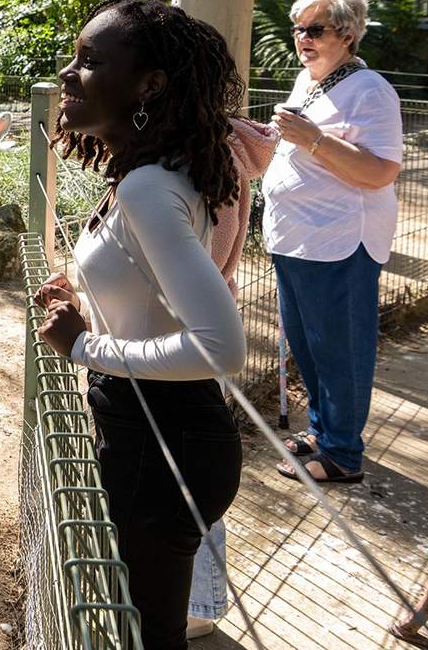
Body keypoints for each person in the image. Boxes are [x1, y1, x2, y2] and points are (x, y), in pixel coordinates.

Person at [34, 0, 247, 650]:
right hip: (157, 432)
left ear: (148, 85)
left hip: (162, 445)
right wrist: (84, 289)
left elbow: (219, 345)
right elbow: (154, 289)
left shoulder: (148, 186)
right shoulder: (148, 176)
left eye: (91, 61)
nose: (68, 74)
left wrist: (83, 344)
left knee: (146, 638)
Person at [264, 0, 402, 485]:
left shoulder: (371, 90)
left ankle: (343, 453)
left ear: (346, 34)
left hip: (339, 241)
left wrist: (314, 140)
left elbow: (380, 171)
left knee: (340, 349)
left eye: (314, 29)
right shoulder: (309, 81)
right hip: (296, 239)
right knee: (309, 346)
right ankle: (324, 430)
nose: (302, 38)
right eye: (297, 29)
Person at [188, 116, 278, 640]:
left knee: (192, 480)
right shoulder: (212, 153)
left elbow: (207, 256)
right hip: (190, 339)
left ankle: (197, 605)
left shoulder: (208, 159)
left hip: (190, 343)